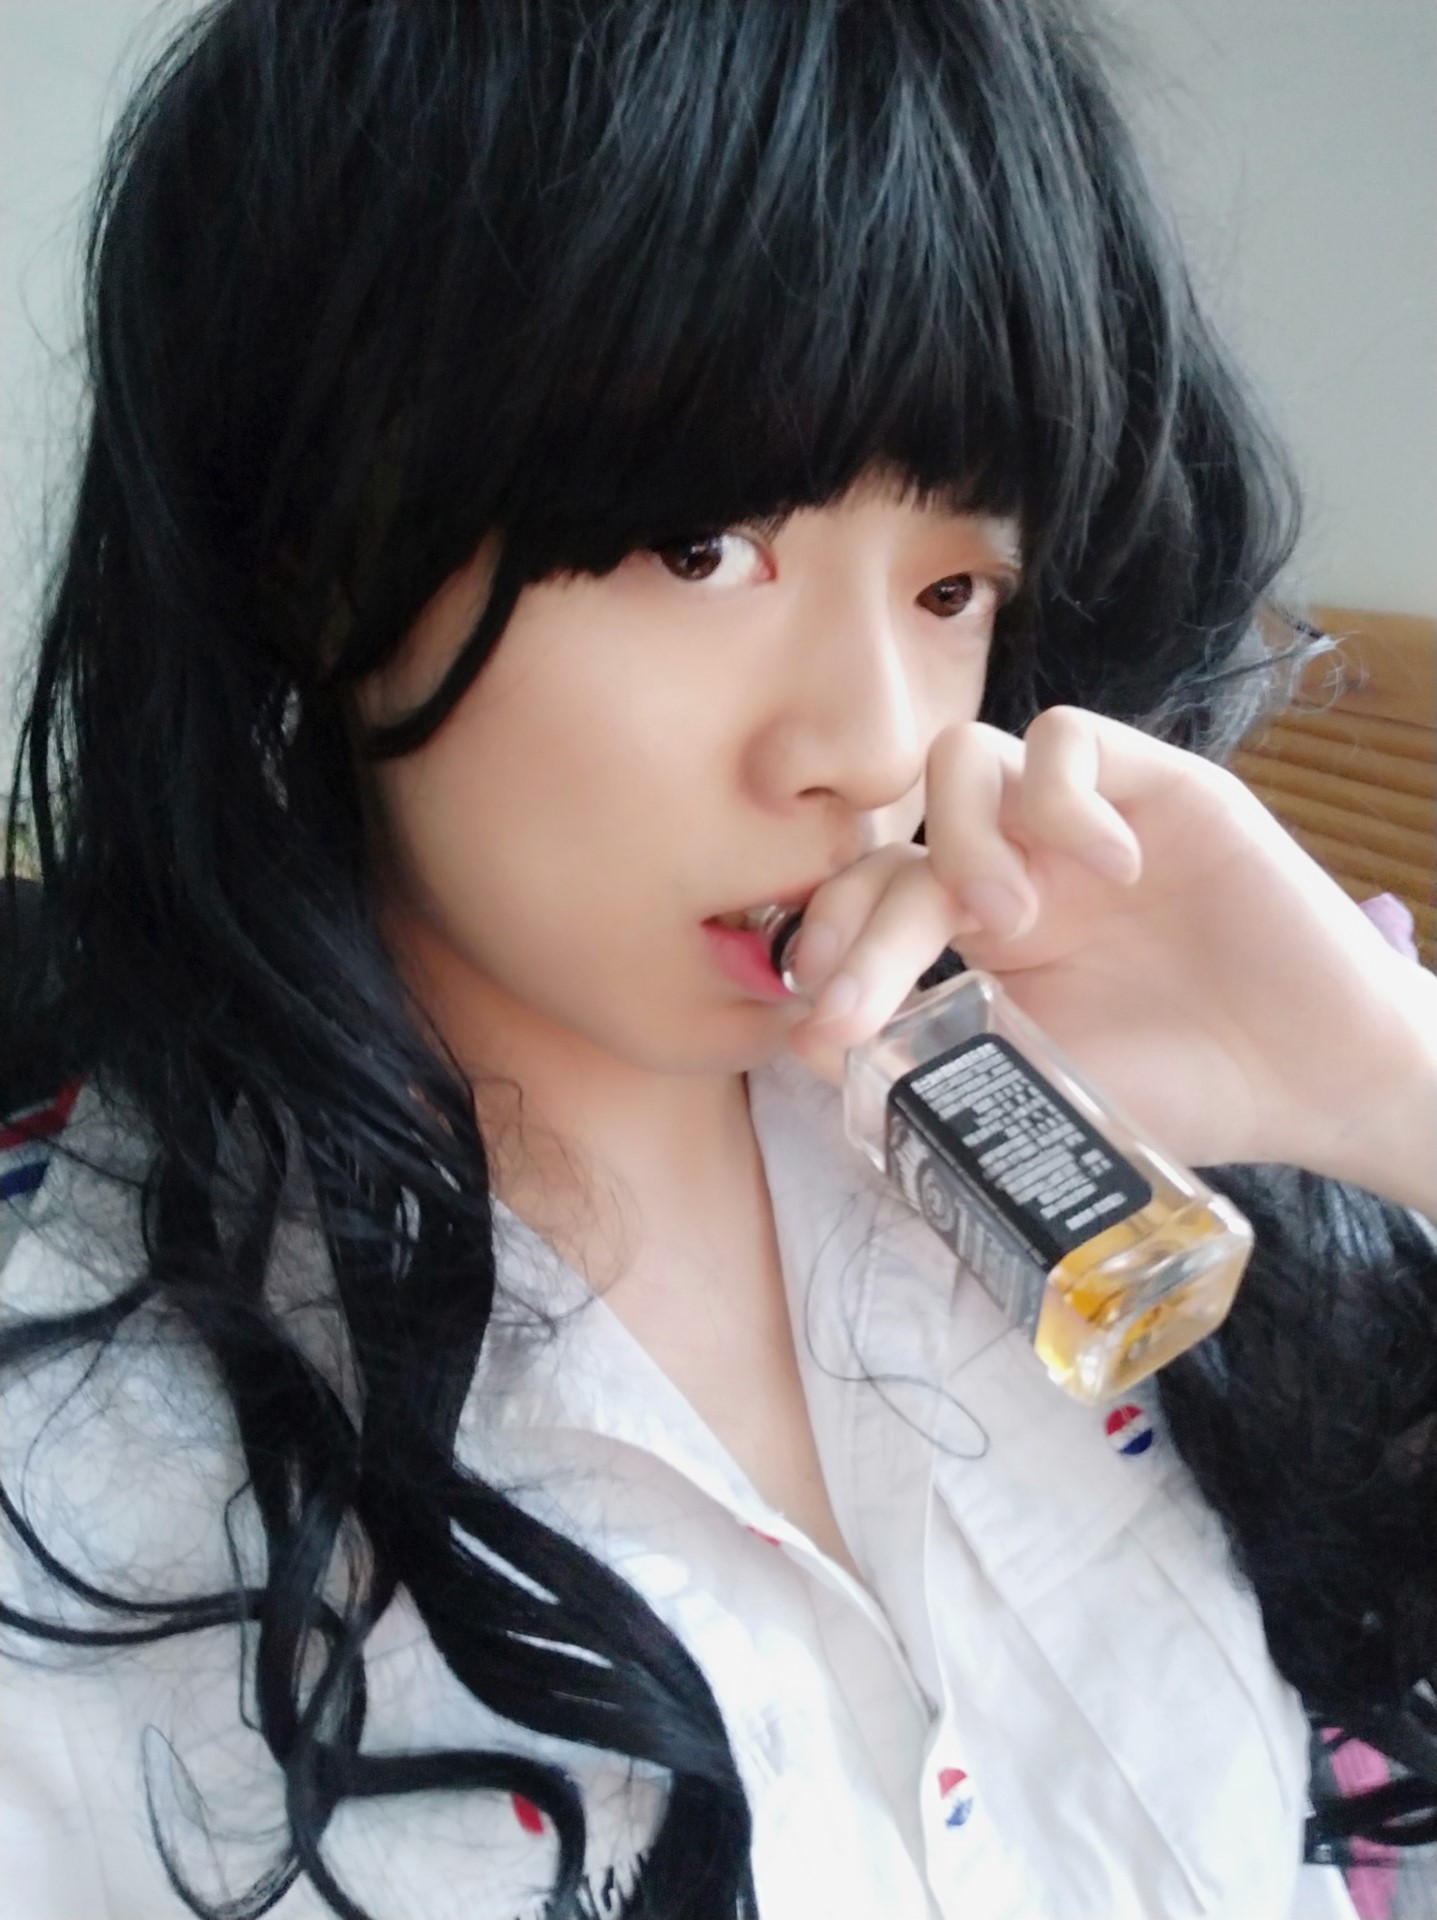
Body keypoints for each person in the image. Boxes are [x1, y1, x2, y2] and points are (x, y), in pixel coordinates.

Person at [1, 1, 1435, 1915]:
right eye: (699, 548)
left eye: (950, 585)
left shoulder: (1074, 1134)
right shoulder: (74, 1491)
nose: (869, 737)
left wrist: (1387, 1091)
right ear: (321, 546)